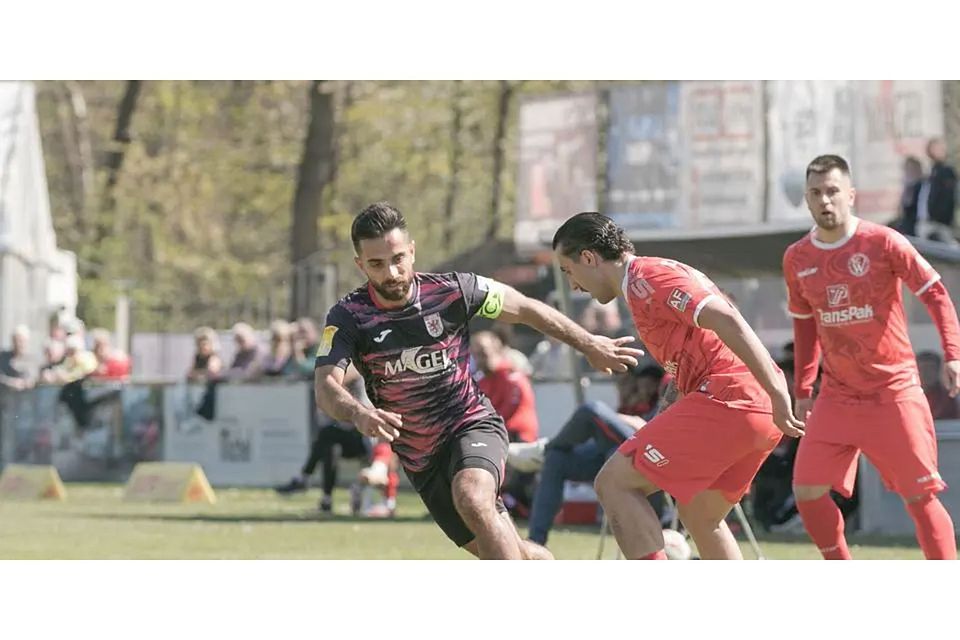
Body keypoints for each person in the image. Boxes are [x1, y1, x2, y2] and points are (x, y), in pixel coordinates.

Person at [313, 201, 642, 560]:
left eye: (397, 259)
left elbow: (526, 308)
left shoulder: (454, 291)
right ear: (360, 264)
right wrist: (359, 413)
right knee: (511, 552)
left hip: (470, 425)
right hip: (421, 460)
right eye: (376, 264)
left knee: (472, 496)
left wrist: (590, 343)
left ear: (411, 251)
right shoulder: (349, 316)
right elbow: (326, 386)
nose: (391, 272)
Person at [551, 212, 801, 560]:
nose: (573, 284)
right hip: (750, 406)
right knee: (700, 513)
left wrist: (777, 387)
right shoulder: (642, 285)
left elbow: (727, 317)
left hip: (733, 398)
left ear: (589, 258)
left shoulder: (648, 277)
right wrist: (664, 418)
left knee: (614, 484)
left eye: (568, 270)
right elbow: (689, 366)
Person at [783, 154, 960, 560]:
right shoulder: (797, 258)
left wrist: (952, 354)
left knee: (920, 496)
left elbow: (934, 292)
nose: (825, 200)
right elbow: (805, 325)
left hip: (892, 391)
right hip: (837, 396)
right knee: (807, 491)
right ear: (807, 201)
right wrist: (804, 388)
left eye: (832, 191)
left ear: (850, 195)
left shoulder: (883, 242)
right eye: (815, 193)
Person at [519, 365, 664, 547]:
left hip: (652, 457)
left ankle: (544, 449)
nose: (624, 388)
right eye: (621, 383)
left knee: (592, 410)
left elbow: (653, 432)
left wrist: (624, 418)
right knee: (556, 459)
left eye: (631, 384)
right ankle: (535, 543)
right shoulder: (629, 405)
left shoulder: (660, 403)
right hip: (614, 459)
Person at [916, 138, 958, 246]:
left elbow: (948, 198)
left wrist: (940, 217)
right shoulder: (932, 172)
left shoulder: (946, 171)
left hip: (940, 224)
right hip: (926, 222)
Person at [917, 350, 960, 420]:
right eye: (922, 368)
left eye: (930, 369)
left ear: (938, 370)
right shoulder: (908, 396)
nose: (926, 373)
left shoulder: (949, 398)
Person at [0, 325, 37, 391]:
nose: (19, 344)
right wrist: (10, 382)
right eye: (17, 340)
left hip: (25, 398)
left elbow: (35, 378)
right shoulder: (3, 357)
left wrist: (27, 383)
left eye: (22, 341)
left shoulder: (33, 360)